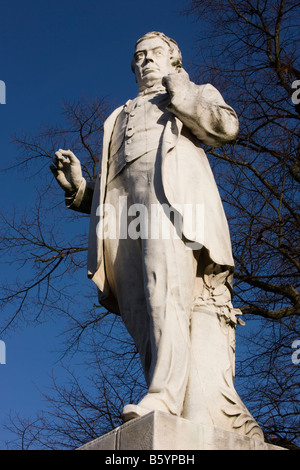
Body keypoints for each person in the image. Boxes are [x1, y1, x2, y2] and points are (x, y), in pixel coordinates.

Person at [50, 32, 264, 439]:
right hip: (126, 216)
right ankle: (176, 400)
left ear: (174, 60)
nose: (146, 61)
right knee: (140, 307)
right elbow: (115, 184)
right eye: (139, 56)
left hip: (173, 205)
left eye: (155, 54)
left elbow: (225, 127)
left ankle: (163, 394)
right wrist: (80, 190)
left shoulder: (189, 91)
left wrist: (182, 89)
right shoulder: (116, 116)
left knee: (164, 290)